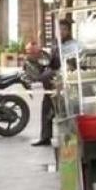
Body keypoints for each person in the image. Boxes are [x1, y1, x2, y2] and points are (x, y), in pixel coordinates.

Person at [31, 18, 76, 146]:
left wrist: (59, 74)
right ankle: (45, 137)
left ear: (68, 31)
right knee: (46, 108)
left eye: (64, 29)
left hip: (63, 83)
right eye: (59, 29)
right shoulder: (55, 43)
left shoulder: (71, 44)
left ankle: (69, 139)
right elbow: (51, 61)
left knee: (65, 110)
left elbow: (71, 66)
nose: (61, 32)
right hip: (50, 86)